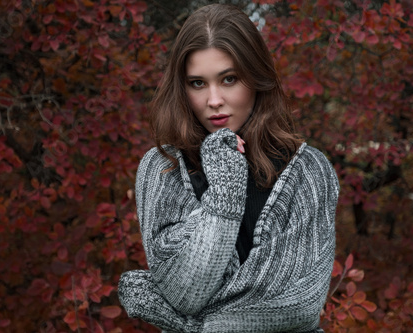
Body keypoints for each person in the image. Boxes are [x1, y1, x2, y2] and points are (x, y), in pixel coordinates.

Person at [118, 4, 339, 332]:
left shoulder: (308, 170)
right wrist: (224, 193)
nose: (214, 99)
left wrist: (188, 327)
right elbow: (184, 292)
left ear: (256, 77)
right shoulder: (162, 169)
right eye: (197, 83)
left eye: (229, 79)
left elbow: (296, 305)